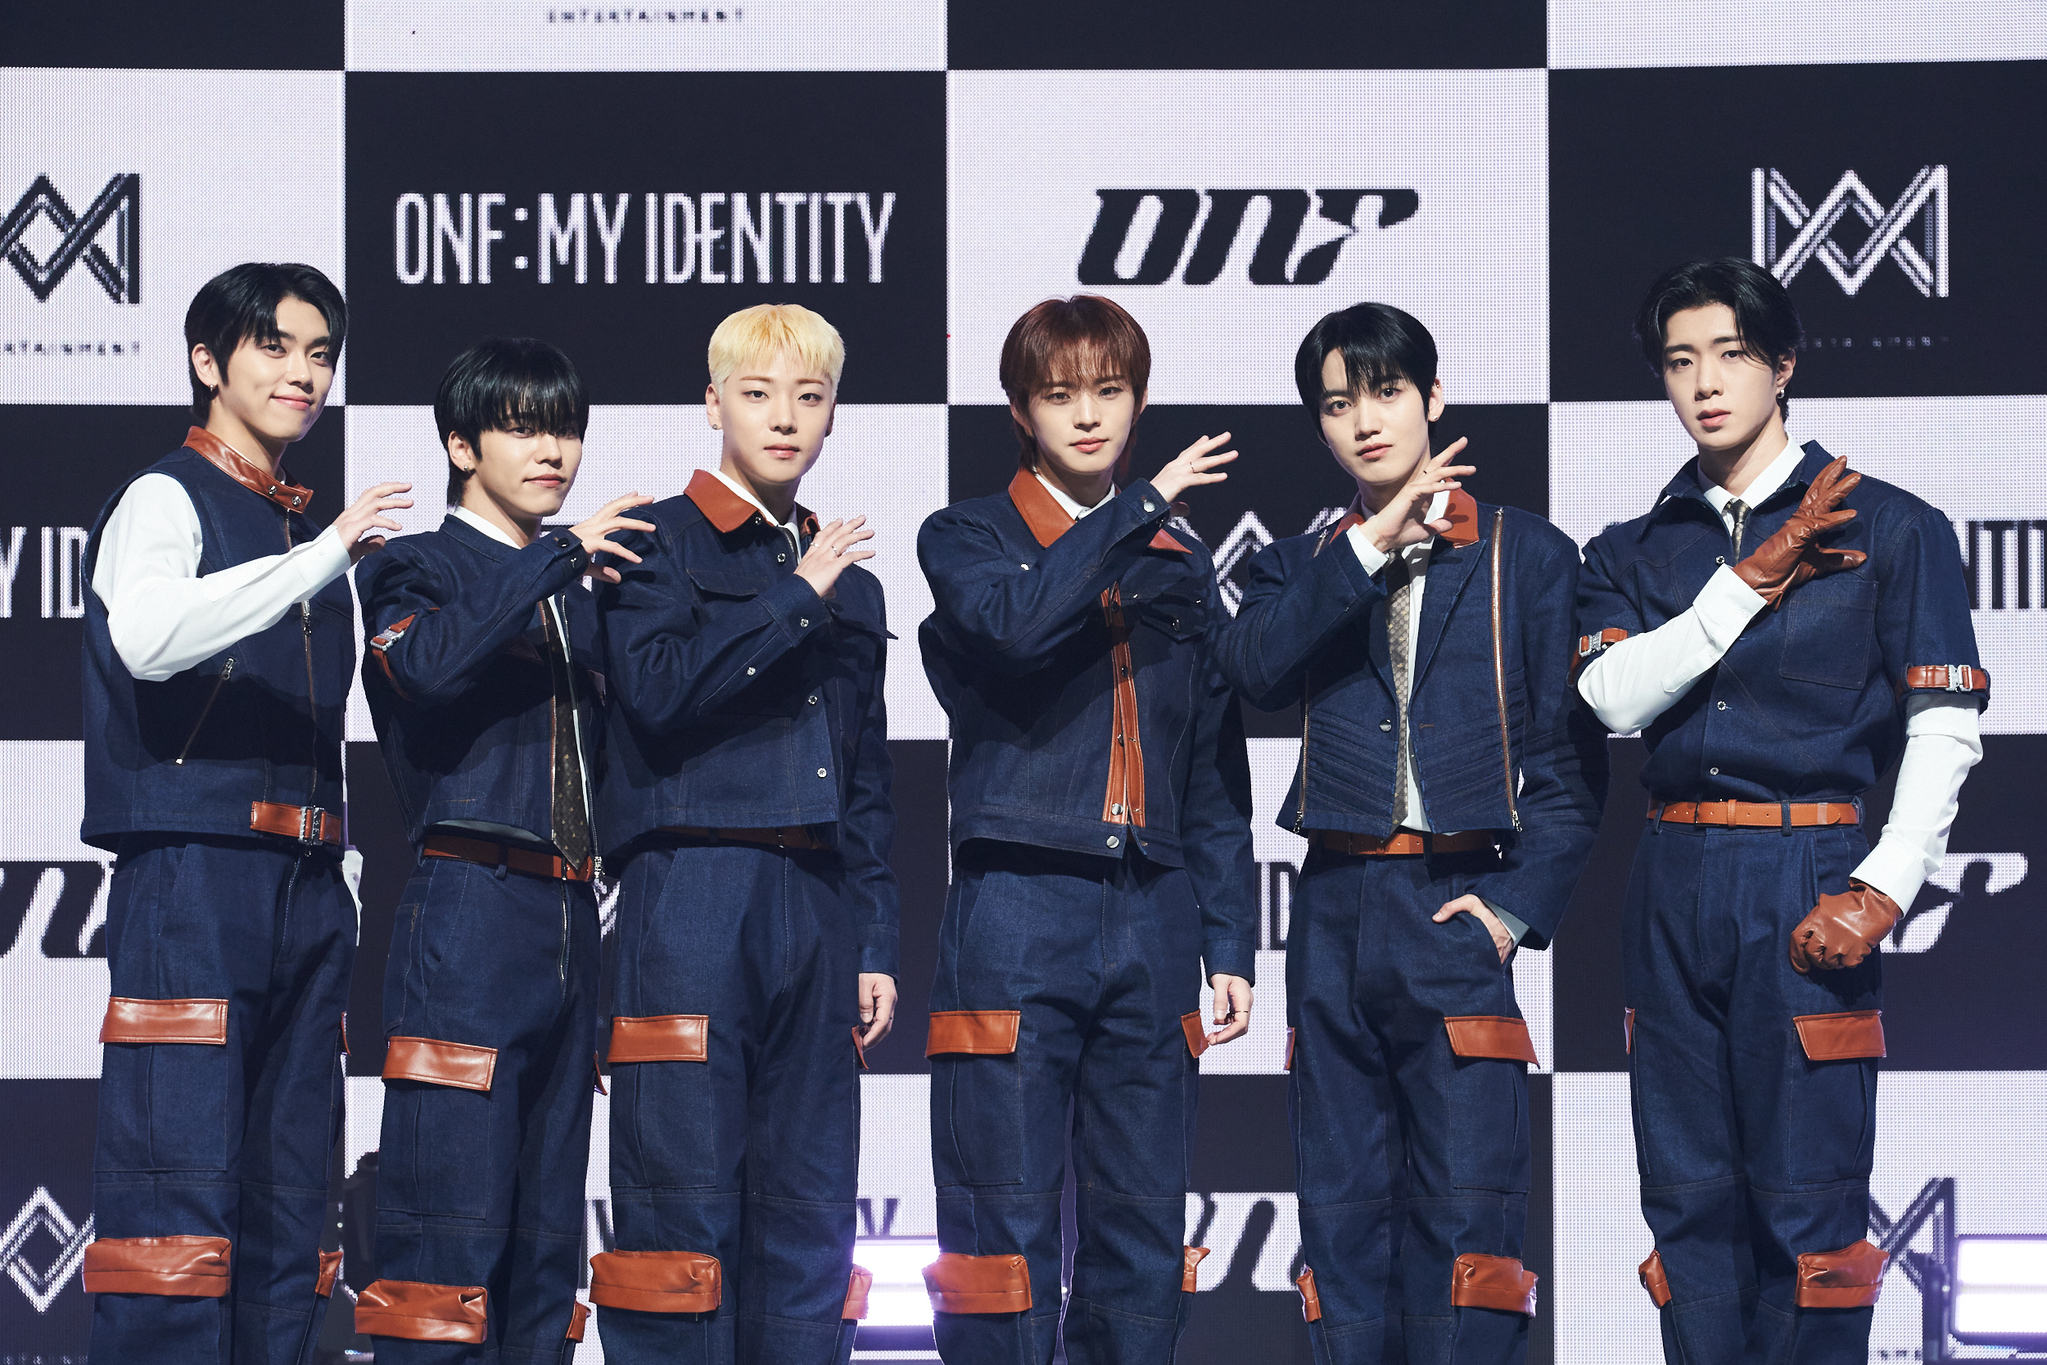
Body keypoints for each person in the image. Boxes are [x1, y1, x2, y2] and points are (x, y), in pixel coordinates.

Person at [1575, 258, 1985, 1364]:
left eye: (1731, 354)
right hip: (1666, 887)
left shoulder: (1895, 530)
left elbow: (1943, 728)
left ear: (1783, 364)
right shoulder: (1630, 548)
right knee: (1688, 1220)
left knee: (1809, 1227)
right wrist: (1745, 582)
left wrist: (1883, 887)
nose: (1704, 382)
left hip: (1810, 879)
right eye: (1678, 360)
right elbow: (1612, 699)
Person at [1217, 302, 1607, 1365]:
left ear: (1432, 399)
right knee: (1338, 1227)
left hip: (1454, 903)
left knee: (1469, 1227)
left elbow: (1569, 772)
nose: (1364, 422)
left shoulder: (1526, 554)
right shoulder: (1297, 564)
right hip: (1333, 910)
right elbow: (1250, 673)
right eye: (1336, 404)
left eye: (1385, 392)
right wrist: (1369, 545)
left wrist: (1511, 915)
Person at [77, 261, 412, 1364]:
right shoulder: (165, 497)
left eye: (321, 353)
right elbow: (149, 639)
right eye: (275, 347)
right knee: (177, 1208)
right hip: (194, 874)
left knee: (289, 1212)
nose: (304, 373)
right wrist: (323, 556)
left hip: (310, 889)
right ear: (207, 362)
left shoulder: (302, 533)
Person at [914, 294, 1257, 1364]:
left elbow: (1210, 760)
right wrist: (1136, 510)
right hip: (1017, 899)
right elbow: (1014, 629)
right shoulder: (967, 534)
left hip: (1150, 910)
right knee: (1000, 1229)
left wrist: (1227, 936)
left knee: (1143, 1228)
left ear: (1138, 398)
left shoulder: (1178, 560)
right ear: (1020, 410)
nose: (1088, 416)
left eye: (1109, 392)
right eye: (1060, 395)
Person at [590, 303, 898, 1365]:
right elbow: (659, 695)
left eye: (808, 398)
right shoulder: (654, 541)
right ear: (711, 402)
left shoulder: (851, 583)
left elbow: (866, 784)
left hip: (815, 902)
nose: (784, 419)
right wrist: (793, 601)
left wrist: (875, 940)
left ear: (832, 417)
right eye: (759, 394)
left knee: (809, 1211)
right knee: (678, 1207)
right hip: (690, 890)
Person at [351, 338, 654, 1359]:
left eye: (565, 427)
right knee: (447, 1229)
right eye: (524, 427)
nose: (553, 450)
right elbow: (427, 670)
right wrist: (558, 555)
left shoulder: (583, 584)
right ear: (460, 444)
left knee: (545, 1241)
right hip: (469, 907)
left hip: (574, 917)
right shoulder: (412, 563)